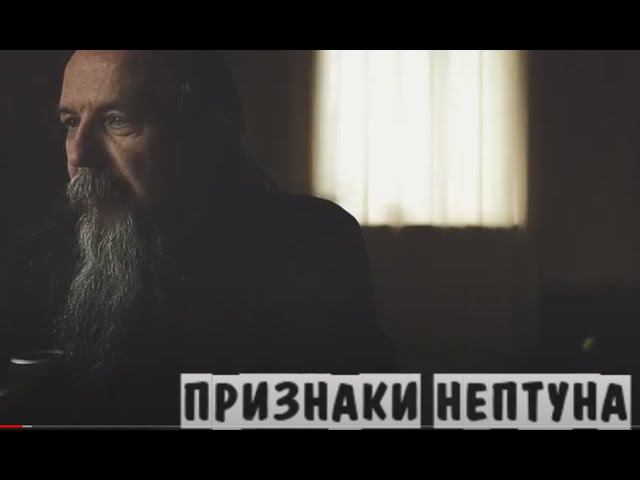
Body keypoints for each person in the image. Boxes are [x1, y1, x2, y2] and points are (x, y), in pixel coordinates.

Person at [0, 50, 394, 425]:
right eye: (71, 122)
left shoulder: (310, 247)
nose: (79, 154)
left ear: (207, 132)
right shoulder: (37, 262)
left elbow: (354, 411)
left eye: (117, 120)